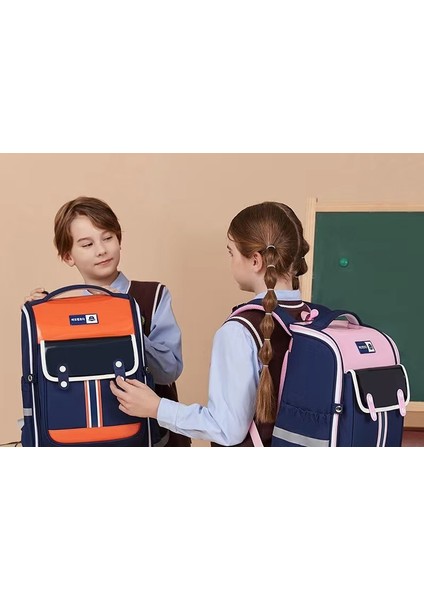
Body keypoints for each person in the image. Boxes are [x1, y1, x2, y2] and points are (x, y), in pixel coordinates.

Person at [110, 201, 311, 446]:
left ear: (256, 261)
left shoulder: (239, 331)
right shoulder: (311, 318)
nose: (231, 260)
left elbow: (227, 429)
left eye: (231, 252)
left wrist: (157, 407)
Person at [26, 196, 190, 447]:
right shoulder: (61, 311)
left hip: (152, 440)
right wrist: (38, 318)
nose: (101, 250)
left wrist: (125, 321)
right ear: (68, 256)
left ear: (119, 240)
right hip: (86, 439)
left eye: (108, 238)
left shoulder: (153, 295)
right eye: (87, 244)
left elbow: (169, 370)